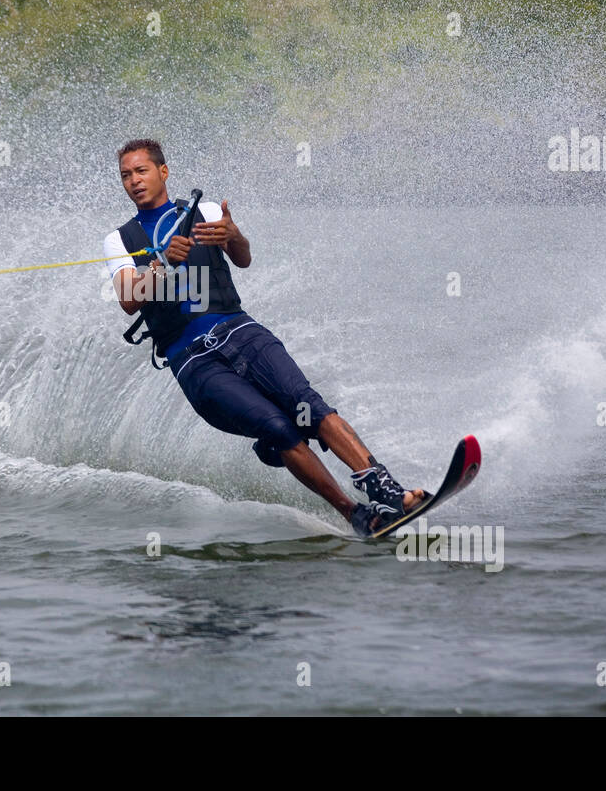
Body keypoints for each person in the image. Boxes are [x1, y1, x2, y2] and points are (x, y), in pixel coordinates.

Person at [102, 138, 428, 537]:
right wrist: (162, 260)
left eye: (141, 171)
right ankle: (355, 514)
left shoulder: (202, 211)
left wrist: (234, 234)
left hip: (239, 330)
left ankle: (389, 489)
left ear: (163, 172)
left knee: (308, 404)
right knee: (277, 428)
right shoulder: (120, 240)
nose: (134, 181)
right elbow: (128, 300)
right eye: (125, 175)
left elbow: (243, 257)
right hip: (192, 361)